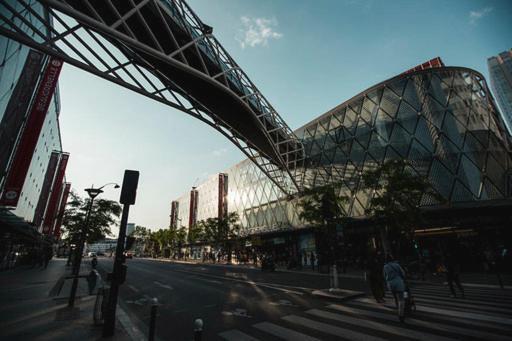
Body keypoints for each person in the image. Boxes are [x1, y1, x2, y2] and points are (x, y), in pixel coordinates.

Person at [383, 254, 406, 322]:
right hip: (398, 283)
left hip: (390, 284)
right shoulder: (396, 265)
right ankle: (401, 315)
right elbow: (403, 273)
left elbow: (384, 276)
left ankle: (397, 308)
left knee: (395, 297)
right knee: (401, 299)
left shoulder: (385, 266)